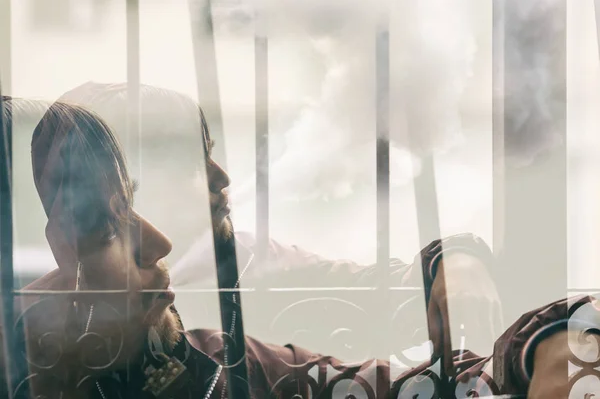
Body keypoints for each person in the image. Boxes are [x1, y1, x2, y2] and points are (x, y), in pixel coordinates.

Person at [0, 94, 583, 398]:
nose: (221, 178)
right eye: (105, 227)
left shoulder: (225, 348)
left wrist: (461, 263)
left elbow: (414, 361)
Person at [59, 82, 503, 360]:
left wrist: (456, 258)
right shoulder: (63, 304)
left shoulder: (255, 260)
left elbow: (381, 287)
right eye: (198, 159)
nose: (222, 176)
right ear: (138, 183)